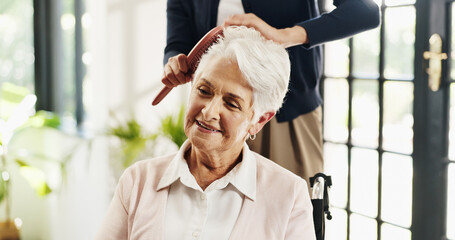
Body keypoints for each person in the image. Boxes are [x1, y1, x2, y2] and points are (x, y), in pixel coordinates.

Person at [96, 26, 316, 239]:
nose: (209, 111)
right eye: (203, 90)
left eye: (231, 104)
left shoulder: (289, 195)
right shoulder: (137, 181)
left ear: (258, 120)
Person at [161, 0, 380, 184]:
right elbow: (177, 43)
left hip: (286, 114)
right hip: (214, 118)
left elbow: (365, 11)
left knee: (289, 219)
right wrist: (174, 63)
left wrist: (285, 36)